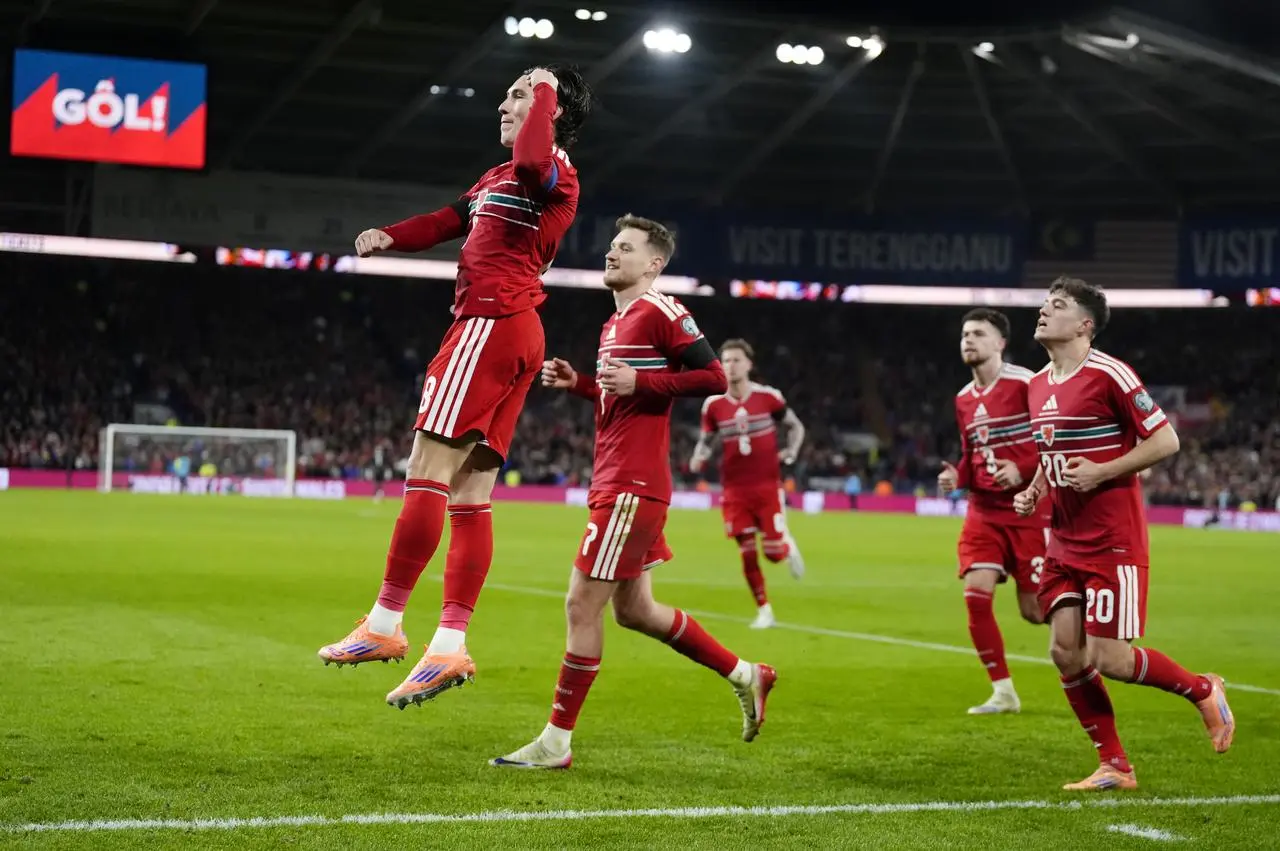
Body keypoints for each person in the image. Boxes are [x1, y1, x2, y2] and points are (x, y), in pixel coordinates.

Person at [317, 65, 594, 712]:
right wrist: (394, 234)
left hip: (490, 322)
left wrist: (545, 88)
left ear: (551, 113)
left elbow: (531, 158)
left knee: (426, 472)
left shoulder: (553, 171)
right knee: (472, 493)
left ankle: (383, 625)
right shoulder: (498, 178)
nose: (505, 103)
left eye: (519, 94)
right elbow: (450, 217)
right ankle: (448, 644)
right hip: (514, 328)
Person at [491, 215, 776, 769]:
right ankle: (747, 674)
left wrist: (643, 381)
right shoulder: (614, 323)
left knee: (581, 604)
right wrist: (580, 384)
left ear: (654, 264)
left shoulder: (663, 310)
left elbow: (714, 378)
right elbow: (617, 400)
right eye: (611, 246)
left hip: (632, 486)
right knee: (636, 611)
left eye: (625, 248)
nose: (611, 253)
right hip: (618, 479)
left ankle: (554, 743)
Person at [1014, 276, 1235, 791]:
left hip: (1113, 538)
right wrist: (1035, 488)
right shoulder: (1037, 384)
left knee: (1109, 658)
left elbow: (1166, 439)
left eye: (1058, 306)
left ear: (1085, 325)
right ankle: (1115, 765)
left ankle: (1203, 689)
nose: (1044, 311)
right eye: (1045, 304)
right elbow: (1053, 454)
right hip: (1063, 538)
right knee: (1065, 652)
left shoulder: (1109, 373)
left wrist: (1103, 470)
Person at [937, 309, 1046, 715]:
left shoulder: (1027, 384)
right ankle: (1003, 691)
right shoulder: (963, 399)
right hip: (983, 511)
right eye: (965, 334)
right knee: (976, 593)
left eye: (979, 334)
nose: (969, 340)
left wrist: (1022, 468)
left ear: (1000, 343)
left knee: (1034, 611)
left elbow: (1053, 439)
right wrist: (957, 477)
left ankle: (1093, 642)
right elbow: (972, 455)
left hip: (1028, 508)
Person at [690, 340, 806, 628]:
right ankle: (764, 609)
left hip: (767, 488)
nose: (730, 366)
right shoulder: (714, 405)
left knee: (772, 554)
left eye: (736, 360)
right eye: (726, 361)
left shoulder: (769, 398)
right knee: (747, 551)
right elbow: (706, 440)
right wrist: (698, 457)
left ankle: (786, 546)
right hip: (734, 491)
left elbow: (796, 426)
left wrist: (791, 451)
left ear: (749, 364)